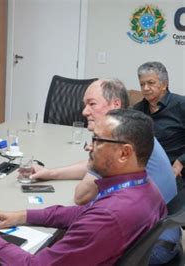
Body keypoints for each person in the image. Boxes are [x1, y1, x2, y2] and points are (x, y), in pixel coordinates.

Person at [0, 109, 167, 265]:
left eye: (97, 140)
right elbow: (85, 212)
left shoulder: (109, 217)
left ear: (124, 153)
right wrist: (23, 215)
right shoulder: (147, 188)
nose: (89, 147)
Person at [29, 79, 180, 264]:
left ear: (115, 104)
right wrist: (51, 173)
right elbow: (89, 165)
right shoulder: (134, 130)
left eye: (92, 104)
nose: (84, 111)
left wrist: (96, 153)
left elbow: (81, 197)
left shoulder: (121, 145)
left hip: (149, 246)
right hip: (158, 229)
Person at [133, 61, 185, 179]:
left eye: (151, 83)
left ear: (164, 84)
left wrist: (181, 162)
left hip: (176, 171)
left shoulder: (181, 105)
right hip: (144, 170)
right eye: (142, 84)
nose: (145, 88)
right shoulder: (137, 110)